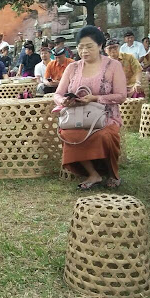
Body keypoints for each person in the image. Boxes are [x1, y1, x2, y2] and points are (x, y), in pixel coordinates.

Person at [54, 25, 127, 190]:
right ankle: (93, 173)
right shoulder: (72, 67)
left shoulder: (113, 66)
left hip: (107, 117)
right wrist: (63, 101)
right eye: (80, 47)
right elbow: (57, 94)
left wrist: (95, 98)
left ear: (100, 45)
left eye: (89, 46)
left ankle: (113, 173)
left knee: (104, 135)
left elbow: (121, 96)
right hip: (78, 117)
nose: (84, 51)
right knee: (69, 134)